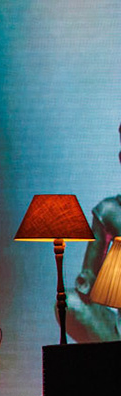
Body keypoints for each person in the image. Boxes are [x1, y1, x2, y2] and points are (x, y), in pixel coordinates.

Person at [68, 122, 121, 343]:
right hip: (118, 329)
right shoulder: (109, 211)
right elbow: (89, 274)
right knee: (69, 303)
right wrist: (87, 281)